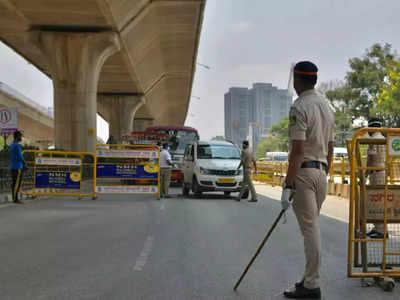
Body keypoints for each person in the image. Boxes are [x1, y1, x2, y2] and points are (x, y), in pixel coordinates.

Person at [281, 61, 335, 299]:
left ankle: (311, 285)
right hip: (322, 172)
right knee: (312, 228)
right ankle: (308, 280)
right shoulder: (327, 105)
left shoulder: (300, 106)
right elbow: (331, 146)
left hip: (304, 173)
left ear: (297, 80)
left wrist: (287, 183)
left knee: (310, 230)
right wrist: (325, 172)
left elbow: (298, 150)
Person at [365, 118, 387, 239]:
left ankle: (380, 230)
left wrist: (365, 174)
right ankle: (380, 228)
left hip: (375, 173)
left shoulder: (372, 140)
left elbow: (371, 159)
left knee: (376, 201)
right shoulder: (384, 139)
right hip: (383, 172)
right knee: (381, 201)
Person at [10, 130, 26, 204]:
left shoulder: (12, 145)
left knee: (14, 183)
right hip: (18, 167)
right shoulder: (17, 145)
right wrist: (25, 164)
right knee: (17, 183)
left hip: (13, 166)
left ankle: (14, 197)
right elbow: (20, 156)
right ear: (17, 137)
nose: (21, 138)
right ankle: (15, 199)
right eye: (20, 136)